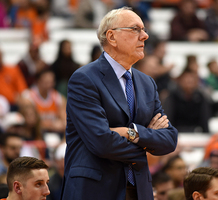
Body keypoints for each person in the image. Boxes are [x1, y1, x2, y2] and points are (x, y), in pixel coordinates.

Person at [60, 7, 178, 200]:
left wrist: (131, 132)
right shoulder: (84, 78)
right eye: (135, 29)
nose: (145, 36)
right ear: (112, 37)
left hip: (138, 190)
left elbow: (169, 139)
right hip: (95, 190)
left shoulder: (147, 83)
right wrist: (147, 144)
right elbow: (102, 142)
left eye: (144, 29)